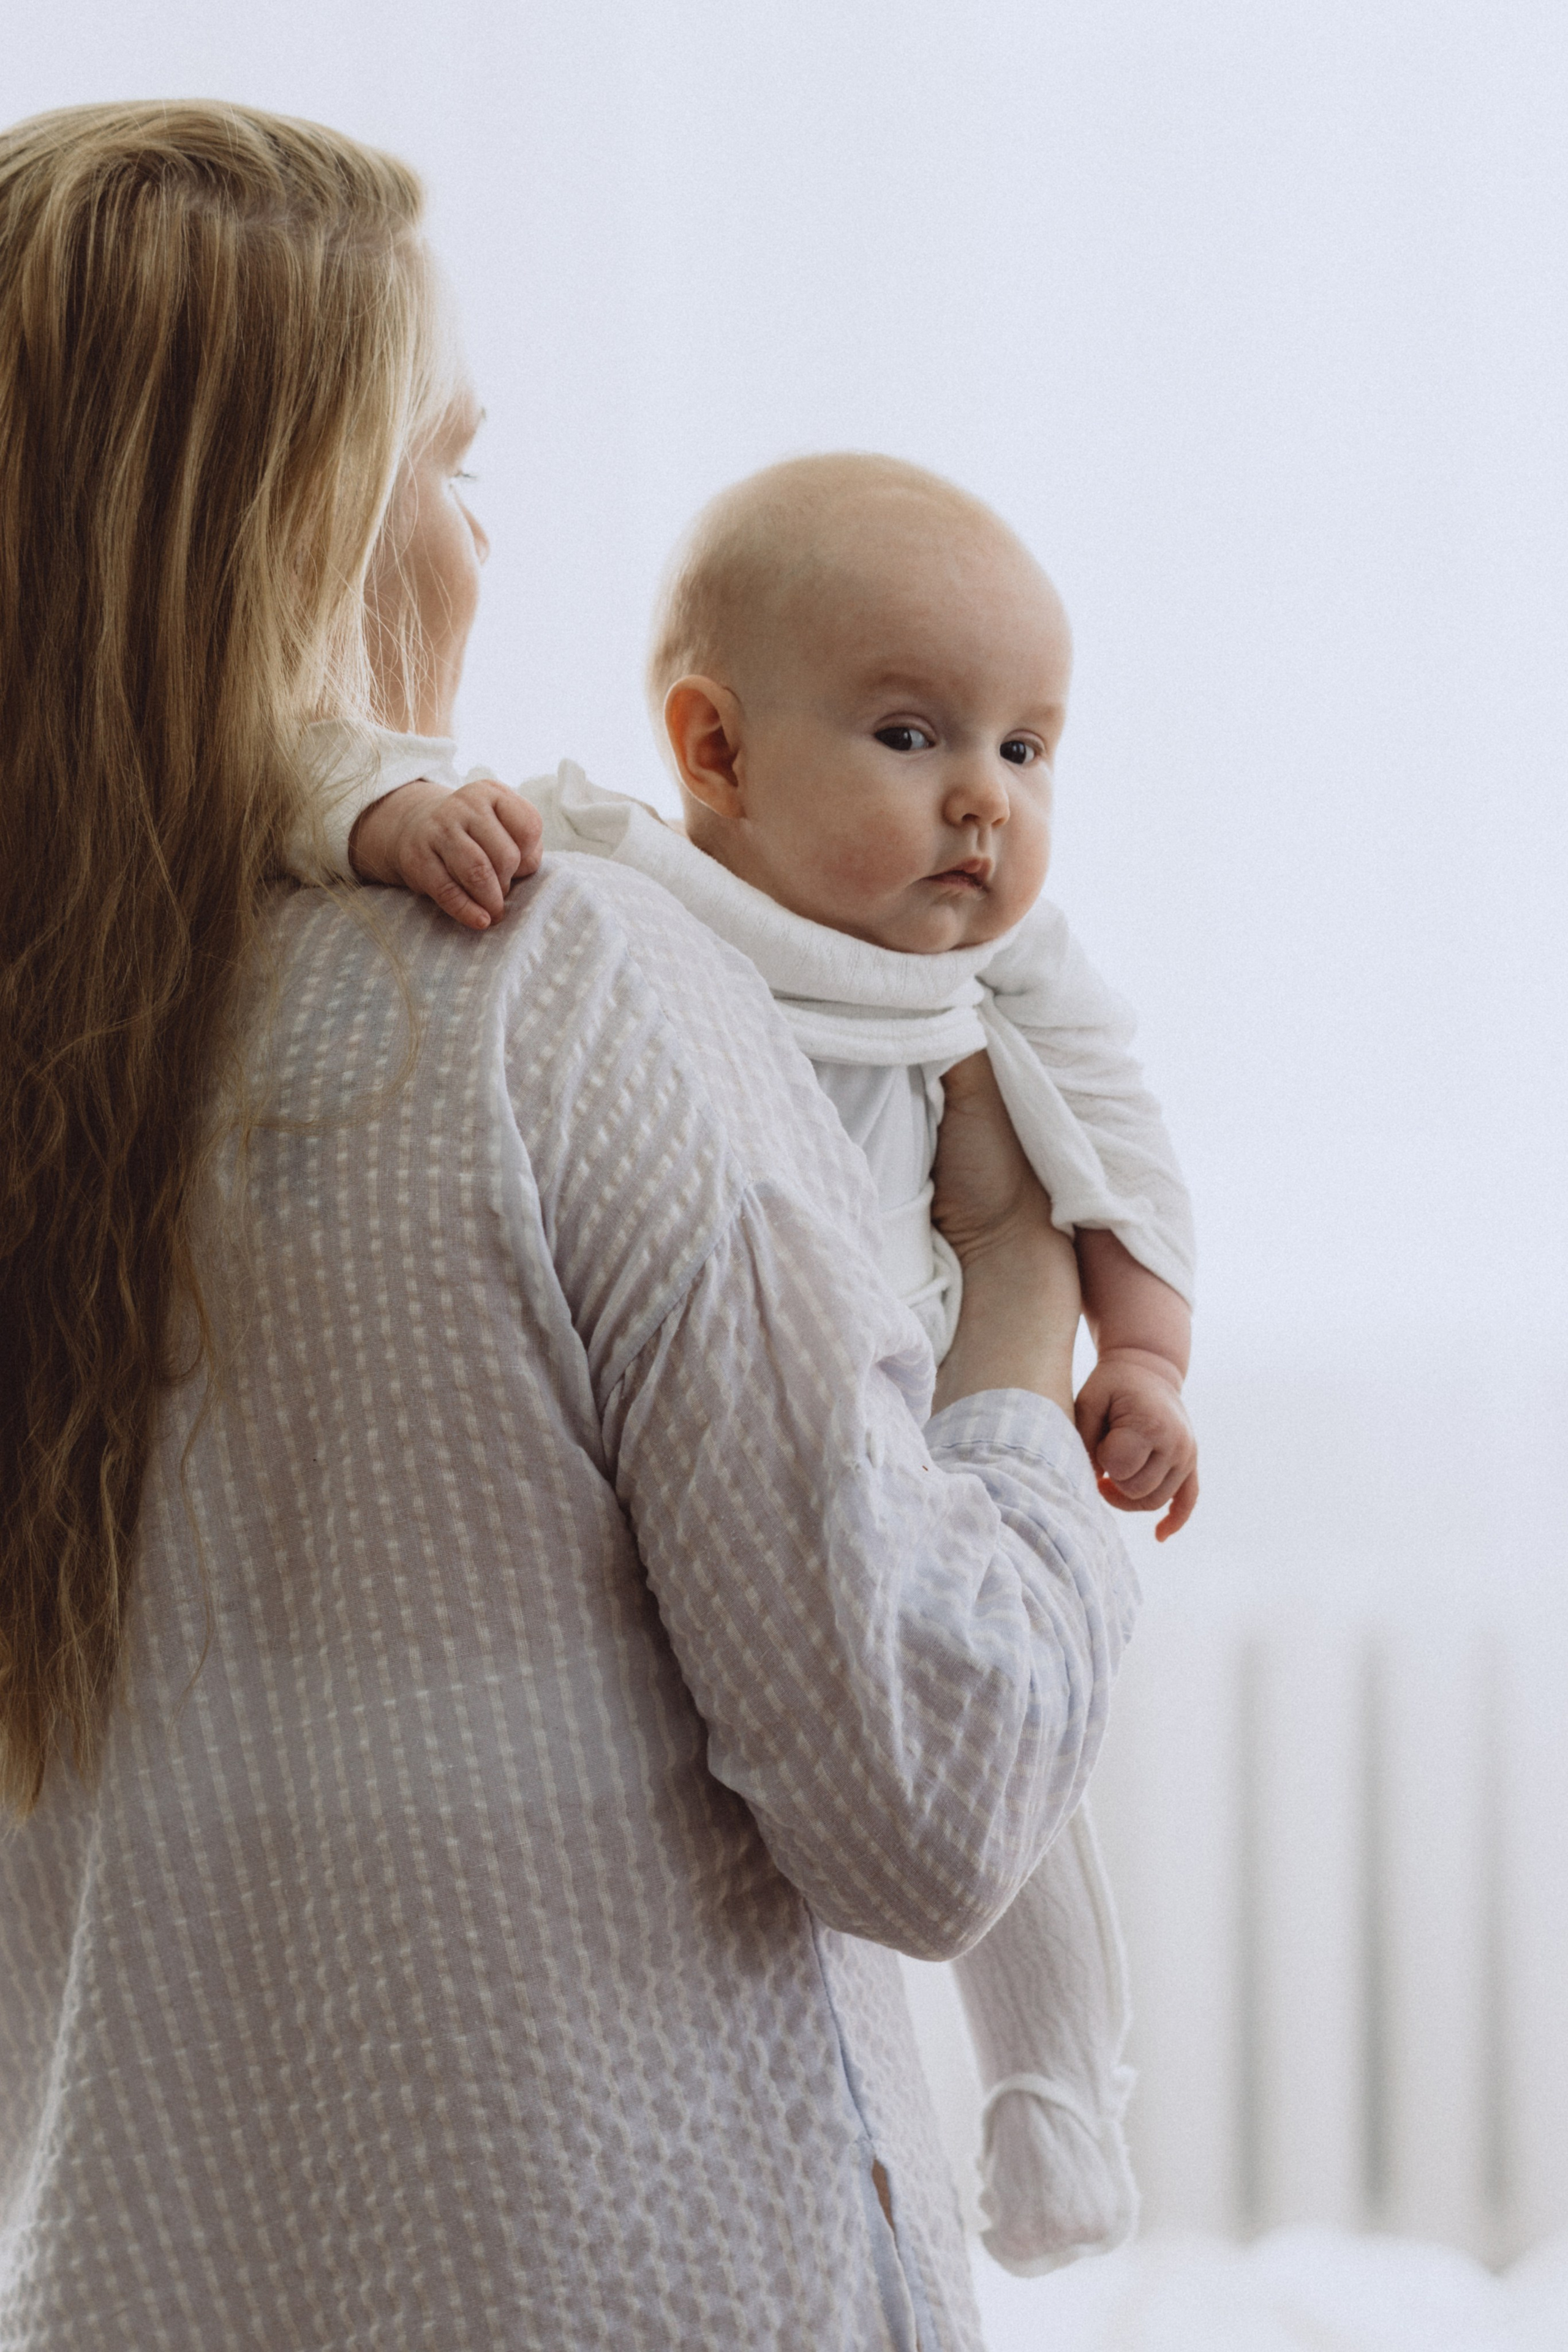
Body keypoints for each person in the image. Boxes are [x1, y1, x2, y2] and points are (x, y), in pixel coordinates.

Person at [0, 99, 1137, 2352]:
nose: (478, 541)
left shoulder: (58, 1052)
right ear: (304, 524)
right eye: (449, 463)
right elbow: (926, 1801)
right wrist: (1020, 1317)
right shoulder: (555, 979)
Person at [315, 455, 1197, 2267]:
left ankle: (1054, 2105)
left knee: (1017, 1760)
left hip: (938, 1399)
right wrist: (390, 826)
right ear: (714, 750)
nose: (985, 801)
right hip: (756, 1418)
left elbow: (1117, 1129)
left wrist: (1148, 1353)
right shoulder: (623, 886)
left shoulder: (1014, 969)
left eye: (1029, 750)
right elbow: (417, 806)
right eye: (911, 735)